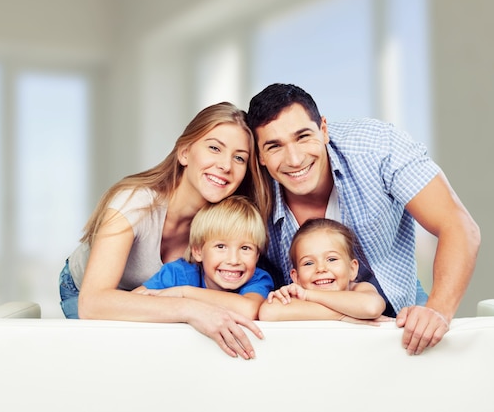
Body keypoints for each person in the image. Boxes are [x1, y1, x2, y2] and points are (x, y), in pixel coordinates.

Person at [246, 83, 480, 355]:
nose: (295, 159)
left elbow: (458, 225)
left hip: (397, 304)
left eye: (303, 137)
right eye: (274, 146)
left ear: (323, 129)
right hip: (306, 321)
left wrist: (438, 311)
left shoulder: (376, 147)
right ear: (260, 155)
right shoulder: (250, 188)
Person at [59, 101, 270, 360]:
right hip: (86, 291)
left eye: (239, 158)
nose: (226, 165)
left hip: (157, 295)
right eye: (214, 148)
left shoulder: (224, 222)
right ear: (184, 153)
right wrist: (190, 308)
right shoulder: (135, 202)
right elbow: (92, 304)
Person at [133, 195, 274, 320]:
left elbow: (248, 310)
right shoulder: (178, 273)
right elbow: (132, 302)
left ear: (257, 256)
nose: (233, 260)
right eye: (221, 246)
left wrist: (184, 293)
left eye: (245, 248)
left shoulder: (258, 279)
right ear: (198, 251)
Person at [259, 218, 386, 322]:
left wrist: (308, 295)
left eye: (331, 259)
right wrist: (344, 315)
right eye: (308, 263)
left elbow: (371, 308)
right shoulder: (295, 295)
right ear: (296, 277)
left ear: (352, 269)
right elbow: (268, 312)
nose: (320, 268)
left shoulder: (359, 289)